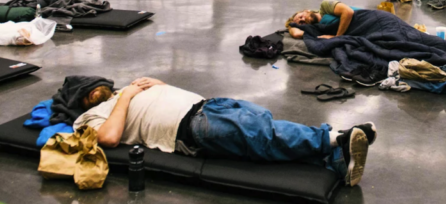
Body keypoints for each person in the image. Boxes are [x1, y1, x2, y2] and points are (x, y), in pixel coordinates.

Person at [73, 77, 374, 187]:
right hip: (189, 128)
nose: (97, 91)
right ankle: (336, 137)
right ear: (83, 101)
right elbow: (110, 138)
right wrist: (125, 97)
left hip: (208, 105)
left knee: (265, 128)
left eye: (98, 86)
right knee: (262, 136)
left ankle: (335, 160)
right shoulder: (88, 117)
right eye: (90, 92)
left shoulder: (123, 89)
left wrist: (158, 84)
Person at [287, 0, 359, 39]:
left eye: (301, 16)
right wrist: (291, 26)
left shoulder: (324, 6)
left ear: (306, 10)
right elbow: (296, 34)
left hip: (363, 18)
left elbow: (348, 12)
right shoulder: (317, 29)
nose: (303, 19)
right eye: (301, 23)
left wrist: (337, 37)